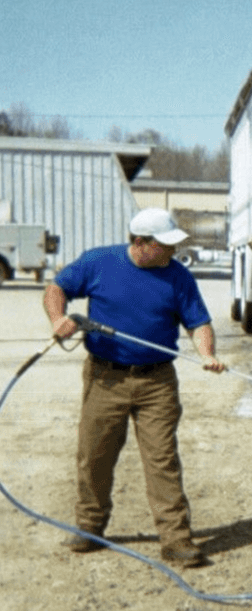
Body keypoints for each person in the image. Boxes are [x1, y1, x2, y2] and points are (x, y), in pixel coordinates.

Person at [42, 207, 226, 568]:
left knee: (162, 461)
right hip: (105, 377)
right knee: (94, 455)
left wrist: (207, 354)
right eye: (164, 245)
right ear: (141, 243)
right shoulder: (99, 262)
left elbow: (199, 321)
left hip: (156, 382)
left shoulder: (178, 276)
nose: (172, 252)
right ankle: (90, 528)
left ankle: (176, 541)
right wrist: (59, 318)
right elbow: (56, 288)